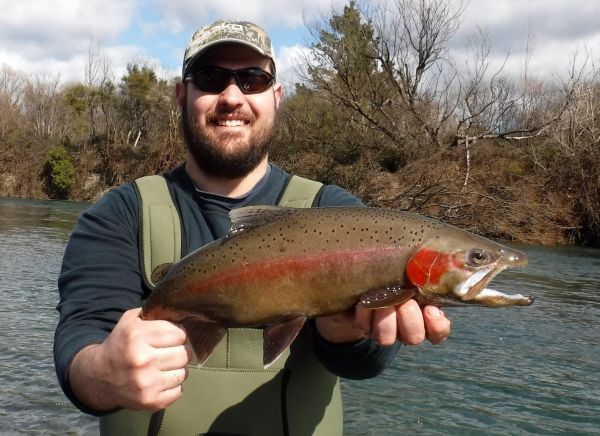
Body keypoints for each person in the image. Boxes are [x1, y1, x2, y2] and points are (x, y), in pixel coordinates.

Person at [54, 19, 451, 435]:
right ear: (181, 95)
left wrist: (344, 332)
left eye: (252, 80)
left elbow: (366, 363)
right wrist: (101, 372)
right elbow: (80, 339)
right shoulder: (119, 214)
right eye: (210, 78)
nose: (232, 97)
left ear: (276, 97)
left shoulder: (337, 213)